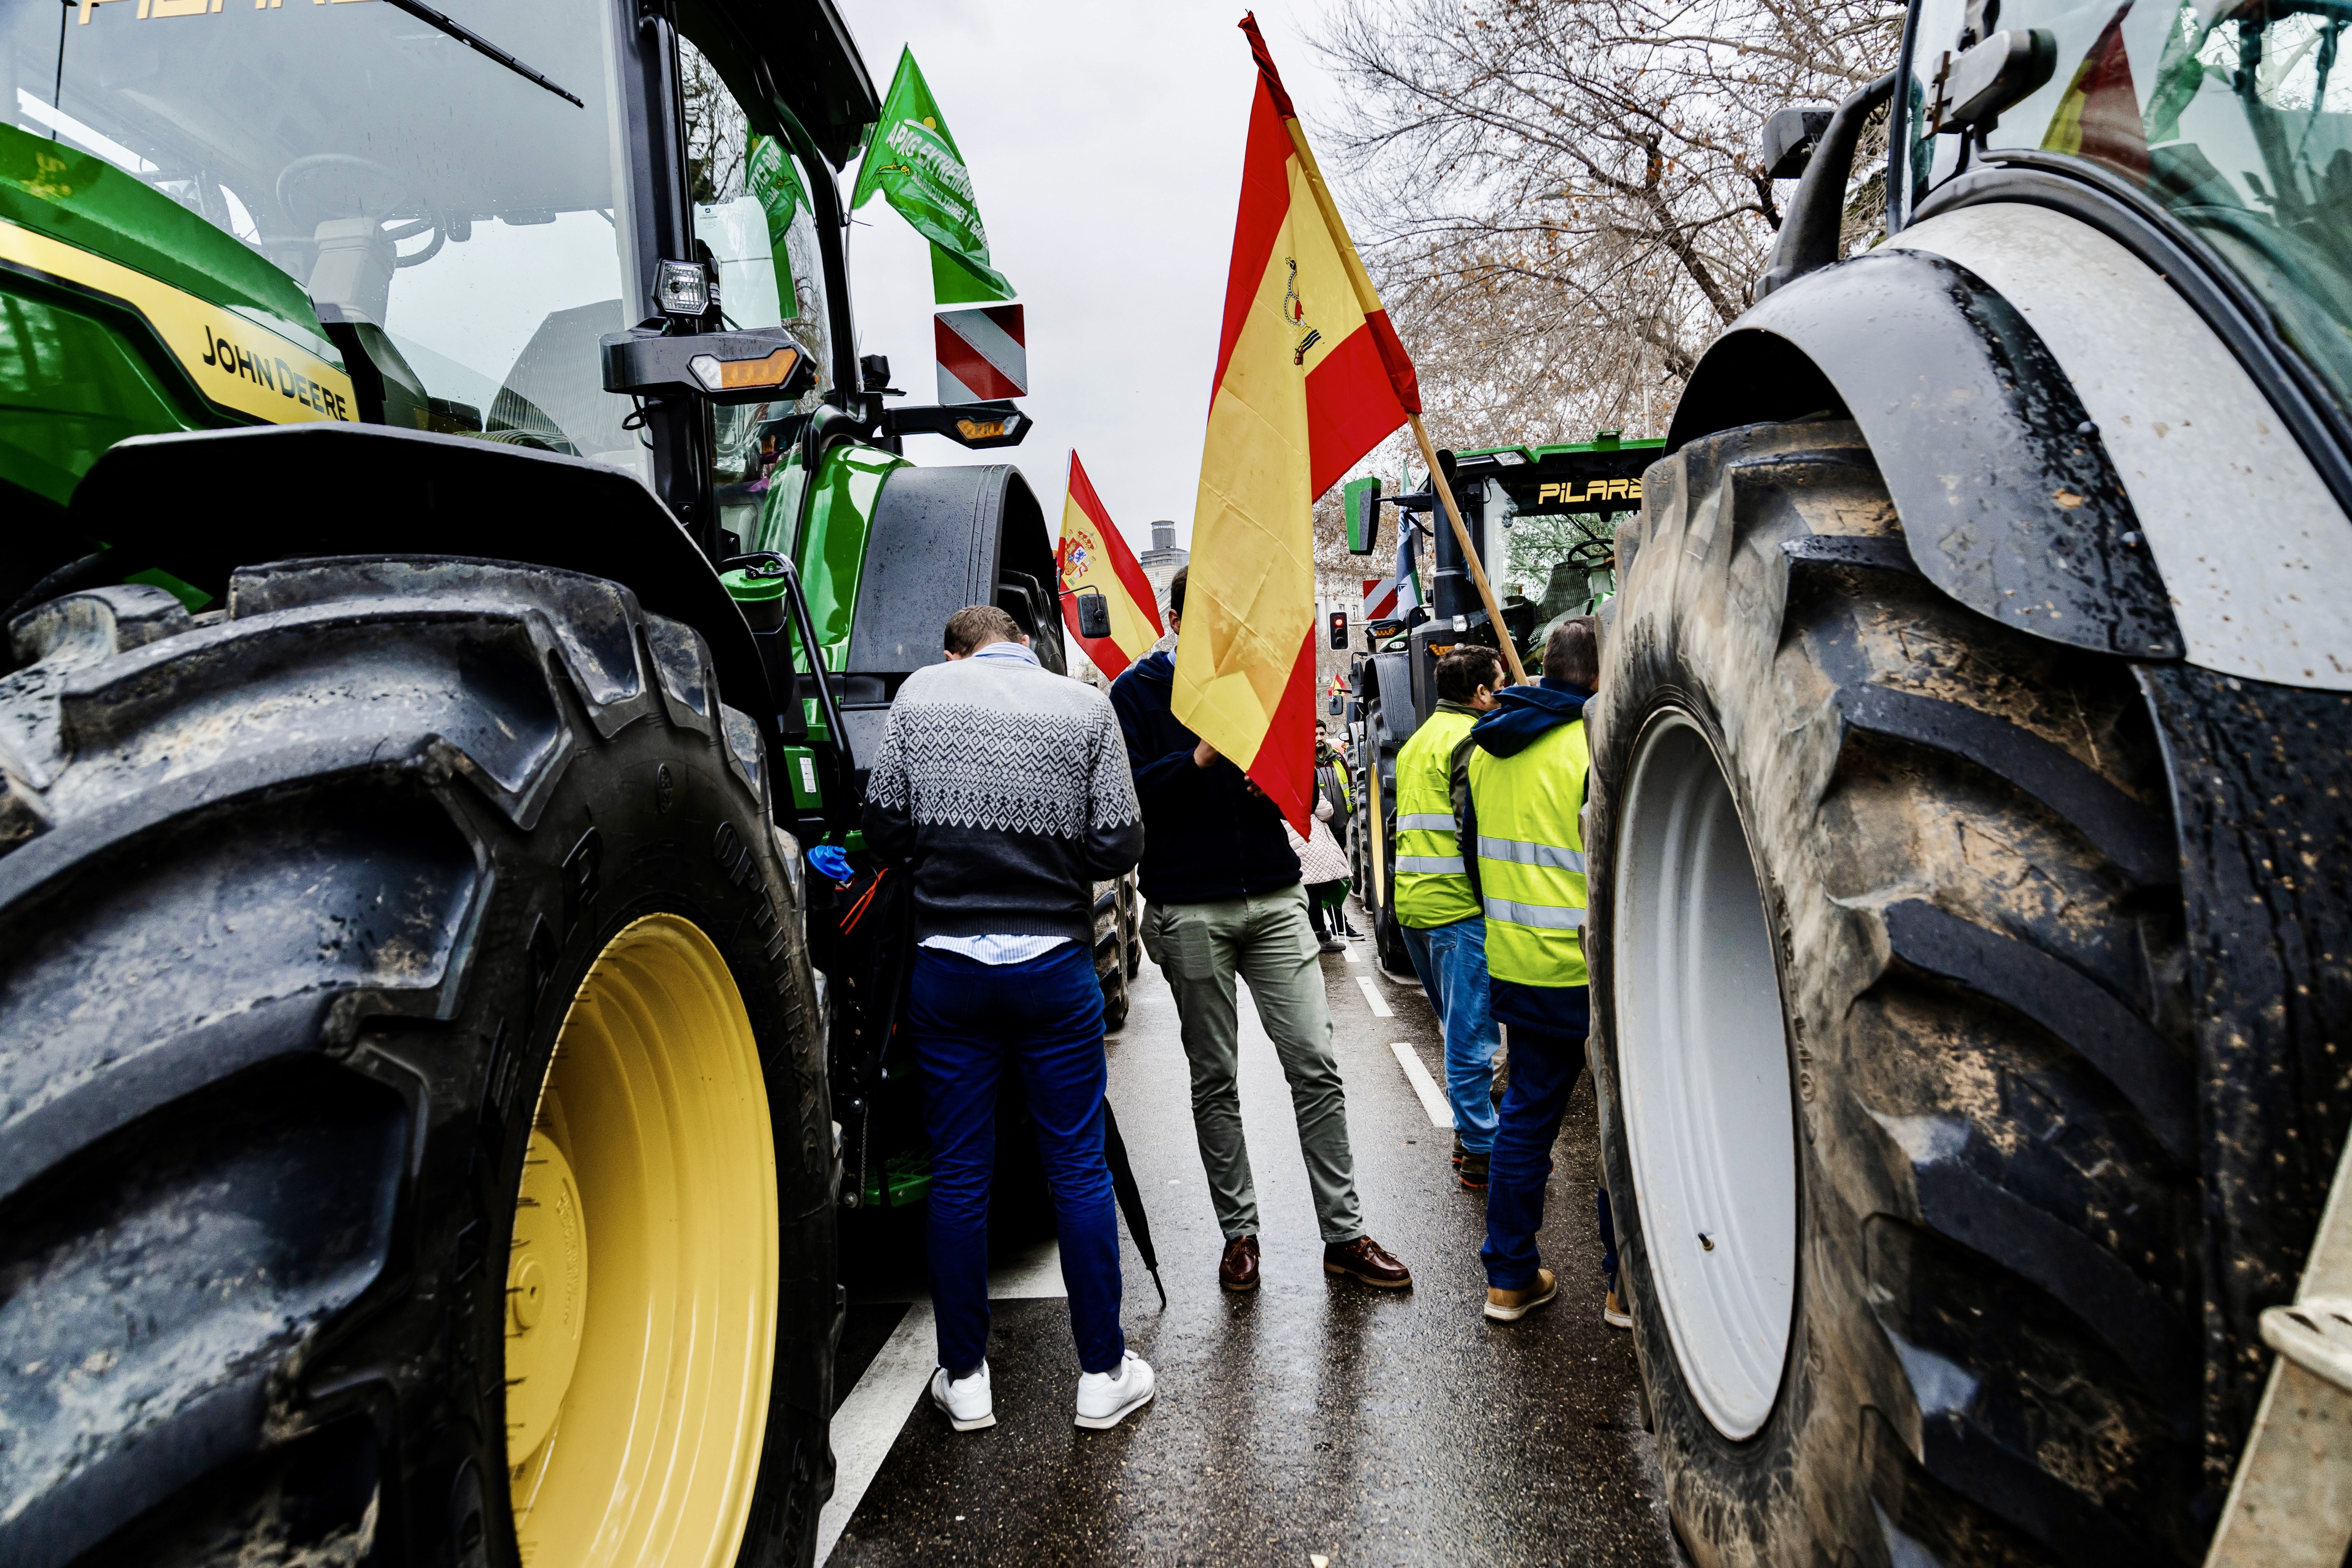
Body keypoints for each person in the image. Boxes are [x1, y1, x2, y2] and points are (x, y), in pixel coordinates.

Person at [862, 604, 1158, 1431]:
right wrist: (1052, 845)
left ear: (956, 649)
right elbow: (1121, 841)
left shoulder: (921, 696)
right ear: (1025, 641)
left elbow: (883, 829)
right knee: (1077, 1166)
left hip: (948, 970)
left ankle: (966, 1380)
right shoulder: (1084, 707)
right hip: (1054, 969)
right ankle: (1103, 1372)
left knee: (961, 1172)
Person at [1111, 566, 1412, 1293]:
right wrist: (1198, 759)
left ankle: (1344, 1234)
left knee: (1315, 1062)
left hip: (1276, 897)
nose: (1222, 634)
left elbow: (1308, 795)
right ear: (1175, 619)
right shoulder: (1136, 694)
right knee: (1215, 1078)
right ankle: (1239, 1234)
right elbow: (1127, 797)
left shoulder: (1257, 681)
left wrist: (1279, 783)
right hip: (1189, 906)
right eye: (1207, 619)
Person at [1459, 616, 1624, 1327]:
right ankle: (1625, 1289)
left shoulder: (1486, 750)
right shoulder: (1591, 744)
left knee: (1526, 1120)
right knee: (1624, 1127)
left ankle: (1511, 1278)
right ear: (1598, 675)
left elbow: (1473, 857)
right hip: (1592, 970)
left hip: (1519, 965)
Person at [1392, 645, 1506, 1189]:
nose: (1502, 692)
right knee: (1471, 1038)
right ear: (1481, 693)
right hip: (1458, 908)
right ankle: (1482, 1150)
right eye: (1499, 684)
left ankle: (1470, 1134)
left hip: (1415, 906)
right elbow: (1472, 829)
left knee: (1458, 1030)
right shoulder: (1467, 740)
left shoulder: (1418, 741)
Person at [1289, 790, 1352, 953]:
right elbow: (1325, 811)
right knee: (1314, 890)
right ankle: (1319, 937)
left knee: (1298, 892)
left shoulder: (1271, 775)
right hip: (1308, 838)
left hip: (1288, 838)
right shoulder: (1304, 777)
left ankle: (1300, 937)